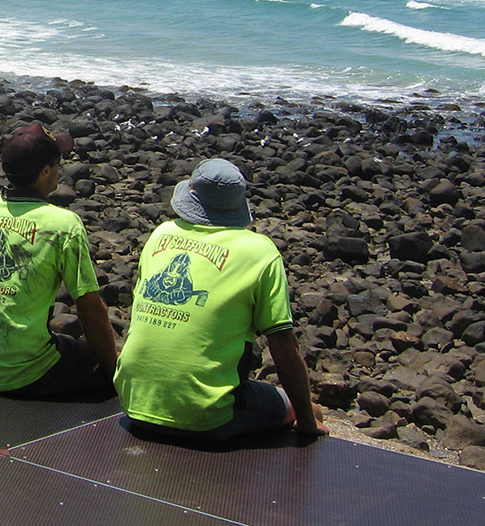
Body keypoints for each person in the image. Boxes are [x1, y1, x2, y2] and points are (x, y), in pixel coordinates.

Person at [114, 158, 327, 440]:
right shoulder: (259, 251)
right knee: (308, 409)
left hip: (133, 404)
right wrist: (309, 422)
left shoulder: (160, 235)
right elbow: (283, 345)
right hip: (208, 417)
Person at [0, 124, 117, 396]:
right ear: (45, 170)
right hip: (23, 375)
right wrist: (116, 374)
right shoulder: (63, 224)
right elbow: (89, 310)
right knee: (97, 362)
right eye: (57, 163)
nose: (59, 169)